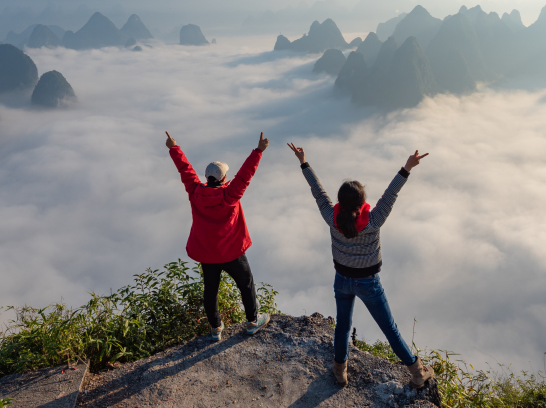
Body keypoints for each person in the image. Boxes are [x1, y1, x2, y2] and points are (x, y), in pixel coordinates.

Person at [287, 141, 433, 389]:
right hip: (368, 282)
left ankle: (340, 370)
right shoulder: (374, 220)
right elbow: (390, 194)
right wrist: (407, 167)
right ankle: (417, 373)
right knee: (390, 329)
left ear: (340, 202)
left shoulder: (331, 218)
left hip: (342, 280)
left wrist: (304, 163)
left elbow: (318, 192)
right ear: (362, 202)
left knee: (343, 326)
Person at [166, 130, 271, 341]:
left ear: (207, 178)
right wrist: (258, 151)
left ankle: (215, 328)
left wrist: (173, 148)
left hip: (207, 253)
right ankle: (252, 322)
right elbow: (244, 175)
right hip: (232, 252)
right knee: (246, 283)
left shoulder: (195, 192)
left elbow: (185, 170)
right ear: (224, 178)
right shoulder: (230, 194)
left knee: (210, 290)